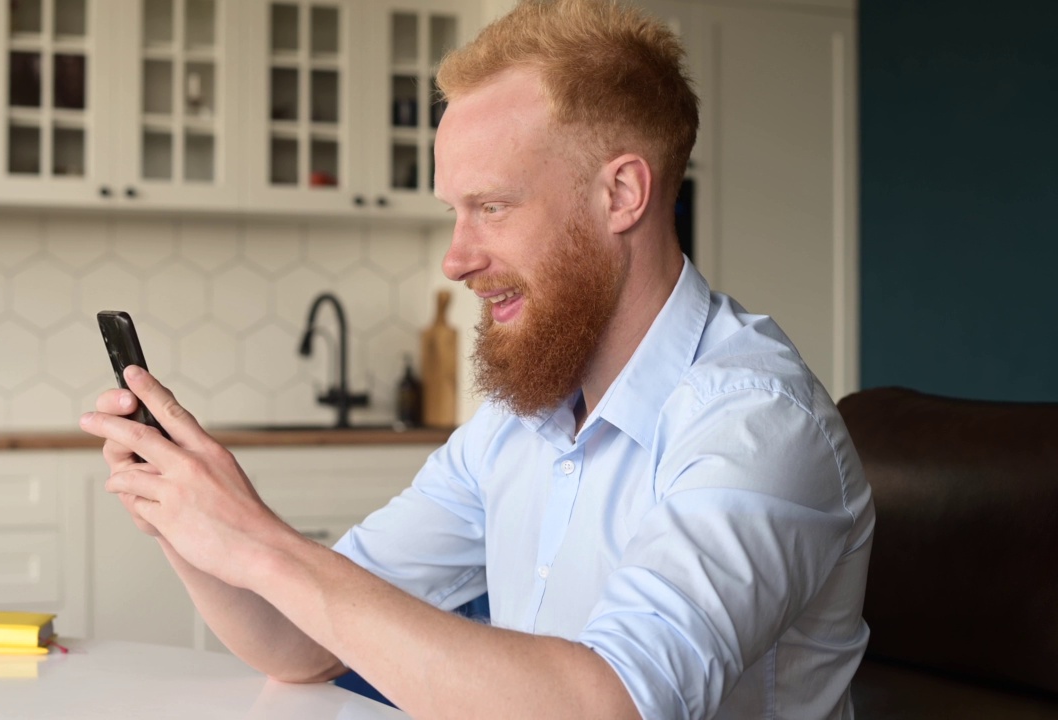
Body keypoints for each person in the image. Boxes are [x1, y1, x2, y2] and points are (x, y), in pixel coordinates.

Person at [79, 1, 874, 717]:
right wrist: (183, 512)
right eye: (455, 212)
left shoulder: (756, 425)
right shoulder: (521, 418)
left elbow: (613, 704)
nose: (456, 259)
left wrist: (261, 543)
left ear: (622, 195)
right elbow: (304, 644)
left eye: (491, 207)